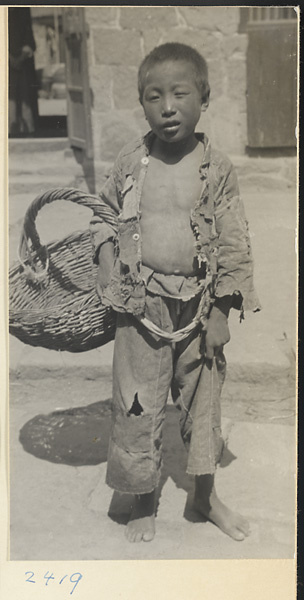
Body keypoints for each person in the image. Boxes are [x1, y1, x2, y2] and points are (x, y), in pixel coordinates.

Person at [90, 43, 260, 544]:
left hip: (200, 308)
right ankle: (143, 496)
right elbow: (101, 218)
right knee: (136, 403)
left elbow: (234, 239)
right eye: (153, 96)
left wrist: (223, 312)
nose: (167, 107)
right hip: (140, 309)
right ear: (141, 104)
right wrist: (109, 276)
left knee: (203, 403)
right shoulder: (129, 162)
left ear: (203, 98)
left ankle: (203, 497)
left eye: (179, 94)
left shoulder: (217, 167)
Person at [9, 7, 39, 136]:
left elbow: (30, 42)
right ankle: (11, 129)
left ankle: (26, 131)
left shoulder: (23, 12)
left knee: (24, 96)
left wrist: (19, 59)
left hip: (22, 63)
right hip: (8, 61)